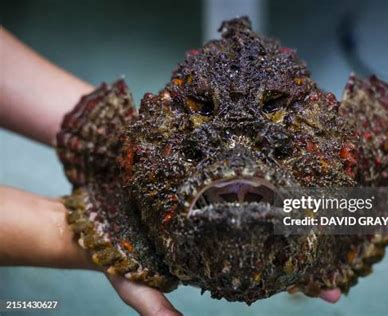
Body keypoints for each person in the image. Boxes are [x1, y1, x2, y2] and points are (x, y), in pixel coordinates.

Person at [0, 28, 341, 315]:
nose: (238, 164)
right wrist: (86, 234)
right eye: (197, 150)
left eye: (277, 148)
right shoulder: (136, 153)